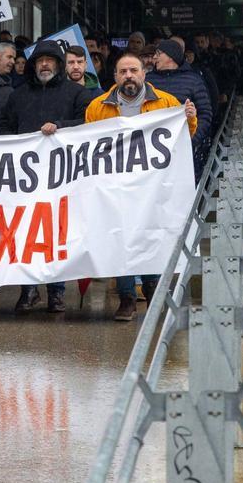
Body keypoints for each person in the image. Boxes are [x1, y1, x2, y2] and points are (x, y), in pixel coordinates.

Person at [86, 54, 197, 321]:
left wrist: (190, 119)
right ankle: (127, 298)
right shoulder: (97, 107)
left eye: (133, 70)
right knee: (120, 239)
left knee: (151, 234)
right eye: (123, 71)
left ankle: (152, 290)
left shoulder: (166, 102)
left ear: (144, 73)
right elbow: (88, 143)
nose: (129, 75)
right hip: (115, 187)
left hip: (152, 186)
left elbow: (184, 136)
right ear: (115, 76)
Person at [0, 39, 92, 314]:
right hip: (24, 178)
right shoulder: (17, 96)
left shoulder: (76, 93)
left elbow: (88, 124)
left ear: (59, 65)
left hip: (62, 177)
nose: (44, 65)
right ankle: (28, 290)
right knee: (24, 232)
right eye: (40, 61)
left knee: (57, 235)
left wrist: (61, 127)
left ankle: (56, 292)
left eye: (49, 61)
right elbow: (5, 127)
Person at [147, 38, 212, 169]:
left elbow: (205, 113)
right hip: (150, 151)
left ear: (171, 56)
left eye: (158, 54)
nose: (154, 57)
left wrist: (192, 140)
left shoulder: (193, 80)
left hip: (183, 150)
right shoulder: (147, 80)